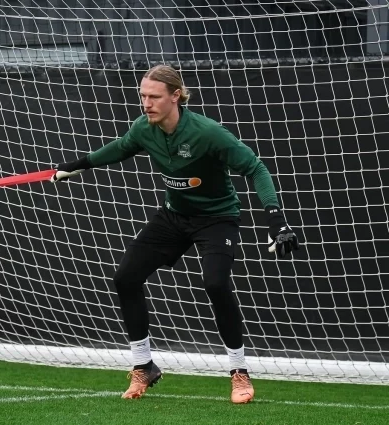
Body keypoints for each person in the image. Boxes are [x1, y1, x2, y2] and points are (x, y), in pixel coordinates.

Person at [51, 64, 300, 403]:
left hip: (216, 218)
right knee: (126, 277)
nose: (146, 103)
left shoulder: (207, 133)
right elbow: (121, 147)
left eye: (154, 97)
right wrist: (79, 164)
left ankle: (239, 372)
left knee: (215, 283)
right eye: (143, 96)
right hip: (173, 216)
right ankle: (144, 366)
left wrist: (276, 220)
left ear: (176, 96)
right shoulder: (144, 128)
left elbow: (255, 168)